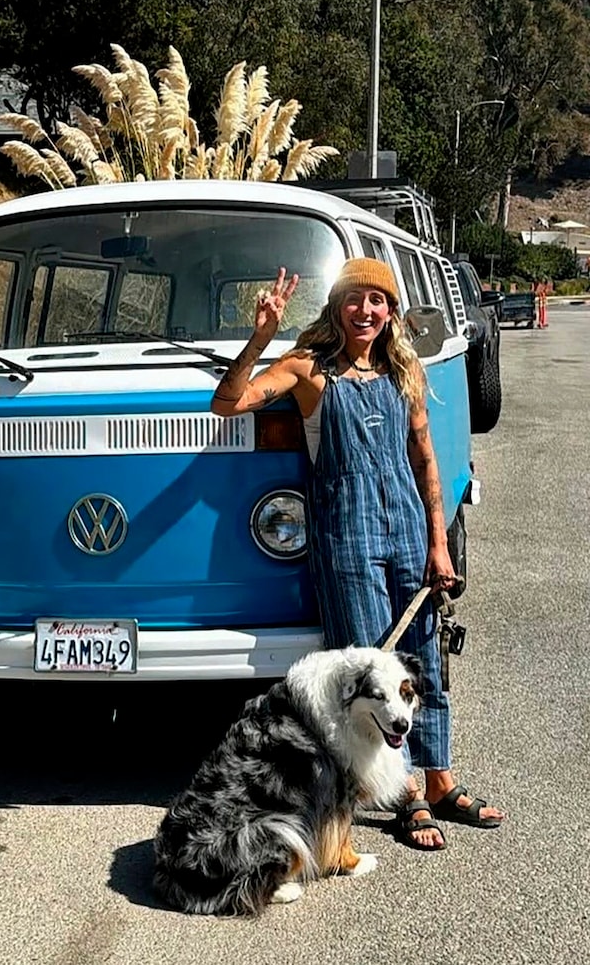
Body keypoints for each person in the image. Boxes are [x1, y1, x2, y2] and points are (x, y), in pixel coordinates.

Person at [211, 259, 505, 850]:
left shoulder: (404, 372)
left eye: (377, 300)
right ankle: (406, 797)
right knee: (372, 673)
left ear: (390, 311)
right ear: (336, 307)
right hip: (347, 540)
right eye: (354, 299)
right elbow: (229, 403)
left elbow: (425, 460)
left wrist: (439, 543)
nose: (365, 310)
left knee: (422, 659)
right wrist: (262, 335)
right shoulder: (308, 371)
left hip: (407, 534)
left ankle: (441, 779)